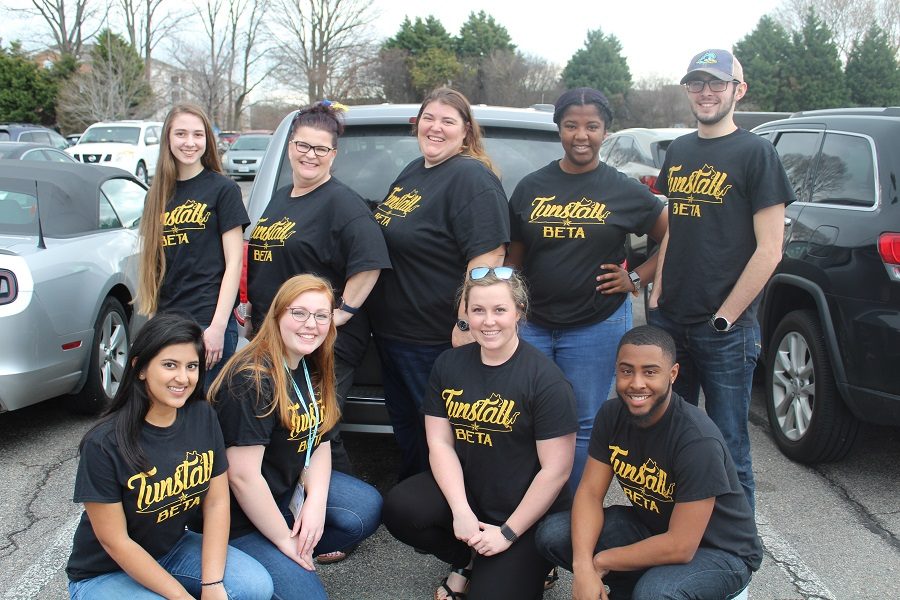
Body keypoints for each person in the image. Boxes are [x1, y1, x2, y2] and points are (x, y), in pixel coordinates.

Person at [648, 49, 794, 510]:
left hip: (725, 330)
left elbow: (771, 249)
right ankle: (677, 535)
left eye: (717, 83)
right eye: (697, 84)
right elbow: (676, 224)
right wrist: (658, 292)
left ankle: (735, 550)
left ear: (738, 90)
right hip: (672, 322)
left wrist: (726, 318)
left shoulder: (756, 153)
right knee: (673, 436)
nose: (706, 92)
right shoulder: (681, 149)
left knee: (728, 444)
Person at [382, 267, 577, 600]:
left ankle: (532, 562)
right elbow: (440, 443)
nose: (489, 321)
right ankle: (467, 559)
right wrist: (461, 512)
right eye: (478, 310)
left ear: (519, 312)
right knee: (401, 508)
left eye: (499, 310)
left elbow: (556, 471)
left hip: (523, 513)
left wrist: (508, 533)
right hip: (472, 496)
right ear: (466, 314)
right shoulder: (449, 364)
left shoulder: (545, 380)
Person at [507, 87, 668, 489]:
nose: (582, 135)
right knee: (526, 416)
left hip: (596, 325)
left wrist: (637, 277)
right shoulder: (531, 186)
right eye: (571, 126)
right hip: (534, 324)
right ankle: (528, 504)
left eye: (592, 126)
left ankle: (569, 512)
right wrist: (506, 304)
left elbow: (673, 235)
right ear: (559, 129)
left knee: (581, 423)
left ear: (605, 132)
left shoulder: (623, 189)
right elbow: (516, 254)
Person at [535, 325, 763, 600]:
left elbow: (681, 546)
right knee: (554, 534)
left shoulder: (697, 441)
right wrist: (582, 566)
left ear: (673, 375)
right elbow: (590, 494)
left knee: (655, 593)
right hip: (655, 527)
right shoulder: (611, 414)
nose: (637, 383)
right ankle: (629, 588)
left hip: (719, 551)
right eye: (627, 370)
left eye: (650, 372)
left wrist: (601, 562)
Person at [65, 313, 273, 600]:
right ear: (139, 368)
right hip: (105, 572)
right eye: (169, 365)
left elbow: (216, 502)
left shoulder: (202, 415)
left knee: (254, 586)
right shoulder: (103, 443)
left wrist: (212, 585)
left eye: (192, 366)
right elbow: (115, 542)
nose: (182, 378)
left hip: (171, 550)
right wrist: (182, 596)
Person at [246, 100, 391, 507]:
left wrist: (340, 315)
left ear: (333, 155)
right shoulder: (282, 196)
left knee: (318, 428)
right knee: (283, 426)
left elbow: (370, 263)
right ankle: (286, 506)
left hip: (321, 342)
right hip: (277, 336)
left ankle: (339, 515)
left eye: (320, 149)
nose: (310, 155)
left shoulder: (341, 203)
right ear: (291, 146)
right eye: (303, 146)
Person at [210, 274, 382, 600]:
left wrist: (315, 504)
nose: (311, 324)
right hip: (239, 519)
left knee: (365, 509)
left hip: (284, 494)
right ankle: (251, 565)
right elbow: (243, 477)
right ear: (277, 316)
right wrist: (284, 541)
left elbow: (322, 440)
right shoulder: (252, 378)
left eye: (321, 316)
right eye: (299, 313)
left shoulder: (310, 364)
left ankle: (283, 558)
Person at [368, 87, 510, 480]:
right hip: (395, 333)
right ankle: (418, 500)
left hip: (433, 337)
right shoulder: (415, 170)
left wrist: (467, 323)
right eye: (429, 118)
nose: (436, 127)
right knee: (409, 425)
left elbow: (488, 258)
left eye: (448, 121)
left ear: (466, 131)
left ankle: (453, 510)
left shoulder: (470, 178)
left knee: (443, 431)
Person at [137, 103, 249, 388]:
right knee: (169, 411)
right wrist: (153, 324)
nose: (190, 142)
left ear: (207, 141)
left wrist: (218, 326)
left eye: (198, 135)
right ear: (168, 139)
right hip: (167, 323)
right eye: (181, 134)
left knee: (205, 412)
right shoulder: (157, 195)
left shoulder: (223, 190)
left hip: (208, 323)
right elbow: (155, 266)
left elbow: (234, 263)